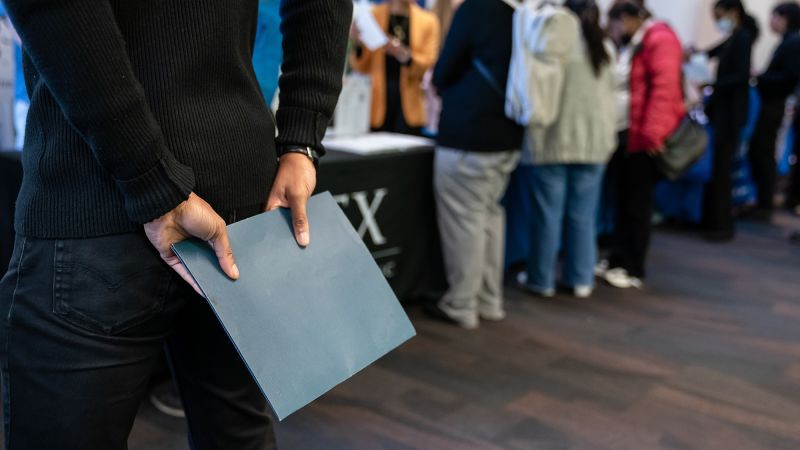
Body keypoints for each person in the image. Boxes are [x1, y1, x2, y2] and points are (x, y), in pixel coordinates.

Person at [0, 1, 352, 449]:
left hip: (100, 203)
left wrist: (151, 179)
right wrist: (302, 139)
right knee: (237, 432)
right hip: (230, 193)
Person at [425, 0, 522, 329]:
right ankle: (488, 300)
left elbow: (444, 70)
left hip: (469, 134)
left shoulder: (475, 10)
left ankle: (462, 304)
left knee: (465, 219)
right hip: (508, 133)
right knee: (490, 215)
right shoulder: (518, 14)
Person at [521, 0, 616, 299]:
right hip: (595, 144)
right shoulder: (606, 48)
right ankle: (581, 278)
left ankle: (541, 280)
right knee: (583, 216)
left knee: (547, 216)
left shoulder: (555, 44)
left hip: (555, 141)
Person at [602, 1, 685, 289]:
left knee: (637, 202)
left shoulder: (659, 39)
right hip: (629, 132)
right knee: (624, 198)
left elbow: (665, 90)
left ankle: (633, 266)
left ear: (627, 18)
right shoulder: (642, 40)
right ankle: (618, 257)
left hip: (643, 137)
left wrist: (653, 134)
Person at [696, 0, 759, 237]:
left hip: (730, 115)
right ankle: (715, 221)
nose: (717, 21)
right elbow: (713, 52)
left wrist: (713, 84)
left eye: (719, 16)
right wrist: (695, 54)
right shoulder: (735, 37)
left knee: (722, 171)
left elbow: (741, 77)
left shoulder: (742, 38)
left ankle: (721, 225)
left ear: (733, 13)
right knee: (719, 169)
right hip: (725, 113)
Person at [350, 0, 440, 135]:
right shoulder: (373, 15)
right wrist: (358, 44)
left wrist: (405, 56)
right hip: (377, 106)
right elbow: (361, 67)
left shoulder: (428, 21)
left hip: (410, 108)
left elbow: (428, 66)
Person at [748, 2, 800, 220]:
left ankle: (764, 204)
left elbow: (788, 78)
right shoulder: (789, 41)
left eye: (774, 17)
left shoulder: (793, 42)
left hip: (774, 104)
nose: (771, 22)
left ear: (784, 18)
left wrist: (760, 77)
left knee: (763, 152)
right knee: (761, 151)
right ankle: (762, 202)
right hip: (773, 103)